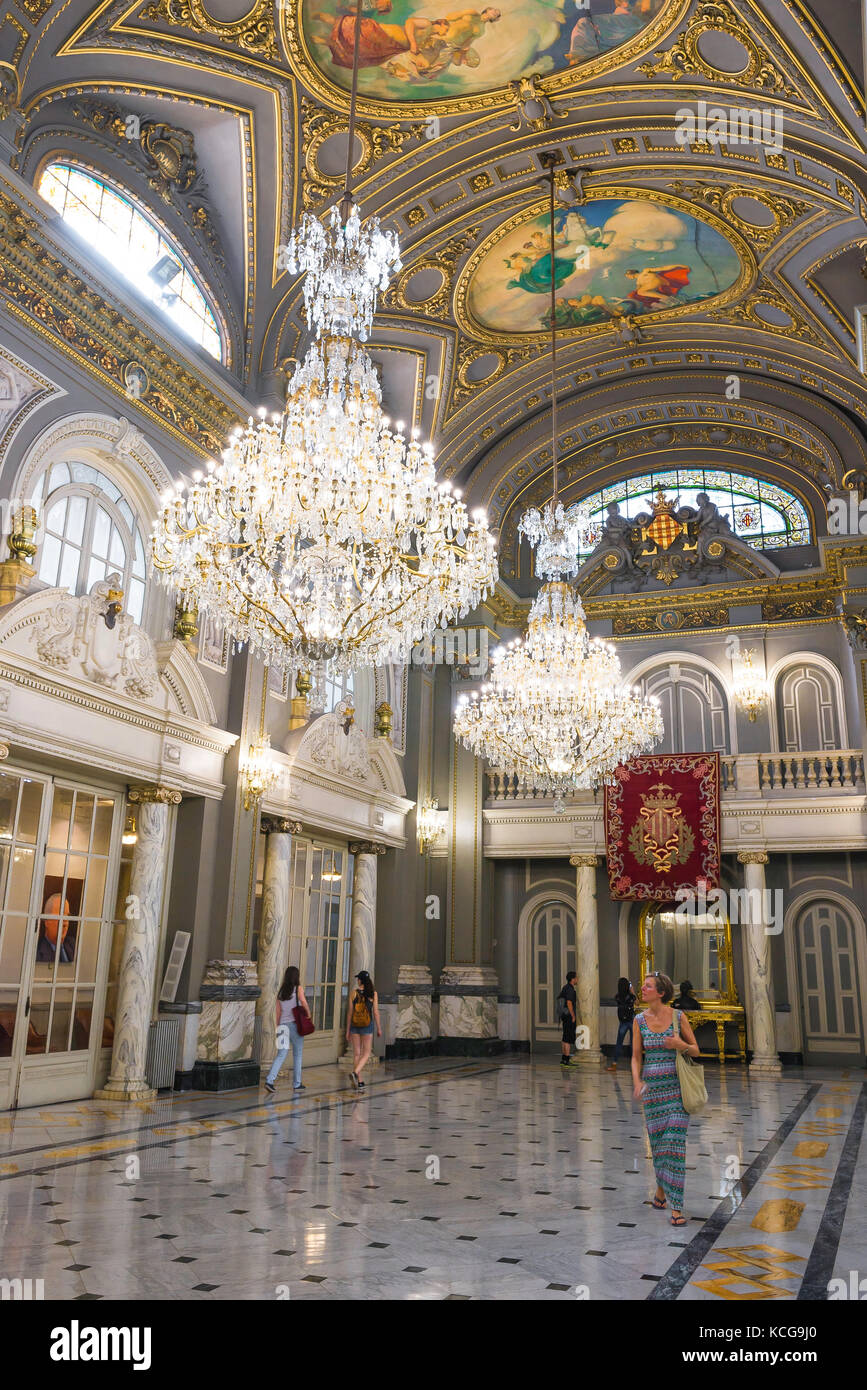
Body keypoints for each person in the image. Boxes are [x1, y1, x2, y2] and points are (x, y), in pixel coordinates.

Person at [631, 970, 699, 1227]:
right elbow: (636, 1056)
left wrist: (678, 1045)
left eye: (648, 986)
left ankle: (677, 1207)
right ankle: (660, 1191)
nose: (643, 989)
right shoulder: (639, 1020)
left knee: (675, 1144)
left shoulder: (678, 1017)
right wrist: (638, 1082)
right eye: (643, 985)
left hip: (678, 1091)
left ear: (661, 993)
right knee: (659, 1145)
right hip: (654, 1093)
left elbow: (696, 1050)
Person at [264, 965, 311, 1095]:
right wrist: (308, 1013)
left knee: (281, 1054)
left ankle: (269, 1080)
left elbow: (278, 1012)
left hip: (282, 1026)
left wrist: (277, 1027)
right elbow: (303, 1001)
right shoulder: (298, 989)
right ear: (296, 976)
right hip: (295, 1025)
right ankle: (297, 1084)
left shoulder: (281, 992)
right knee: (298, 1055)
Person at [347, 970, 381, 1089]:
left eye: (358, 979)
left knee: (357, 1053)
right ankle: (355, 1073)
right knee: (366, 1053)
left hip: (355, 1025)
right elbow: (376, 1012)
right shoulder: (373, 994)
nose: (357, 980)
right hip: (367, 1025)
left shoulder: (354, 993)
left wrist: (348, 1030)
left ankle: (359, 1081)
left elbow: (350, 1013)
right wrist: (379, 1028)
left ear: (360, 980)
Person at [606, 976, 635, 1071]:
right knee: (633, 1044)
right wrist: (632, 991)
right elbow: (637, 1003)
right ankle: (634, 1064)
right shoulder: (631, 996)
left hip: (623, 1022)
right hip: (631, 1020)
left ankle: (614, 1063)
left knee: (619, 1043)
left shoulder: (617, 997)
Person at [558, 969, 578, 1066]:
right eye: (576, 977)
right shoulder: (570, 989)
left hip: (564, 1015)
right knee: (568, 1038)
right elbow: (569, 1003)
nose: (577, 979)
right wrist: (573, 1015)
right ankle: (566, 1060)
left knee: (565, 1037)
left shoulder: (565, 987)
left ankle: (564, 1059)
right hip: (568, 1016)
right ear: (572, 979)